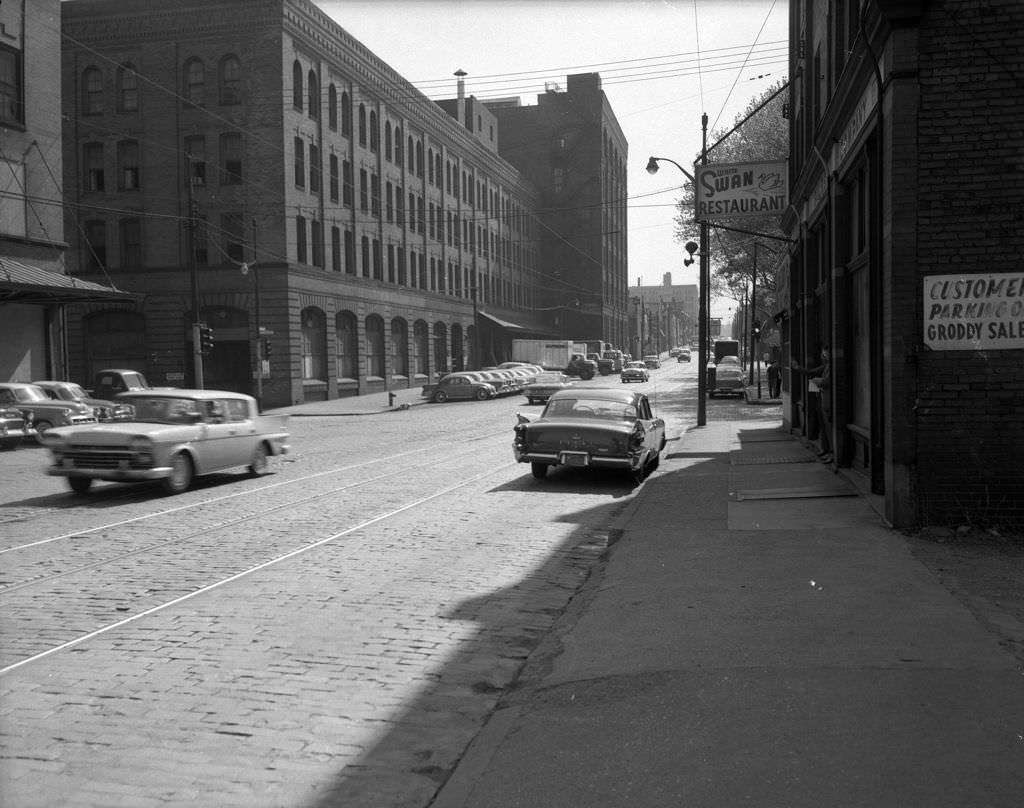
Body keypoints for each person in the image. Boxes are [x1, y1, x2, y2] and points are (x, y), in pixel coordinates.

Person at [791, 345, 832, 463]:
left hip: (827, 401)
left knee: (828, 427)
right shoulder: (826, 366)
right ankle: (826, 449)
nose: (823, 356)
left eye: (825, 354)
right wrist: (798, 368)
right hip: (821, 399)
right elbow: (811, 372)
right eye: (823, 354)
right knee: (824, 427)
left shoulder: (830, 366)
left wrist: (818, 381)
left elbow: (824, 380)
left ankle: (830, 452)